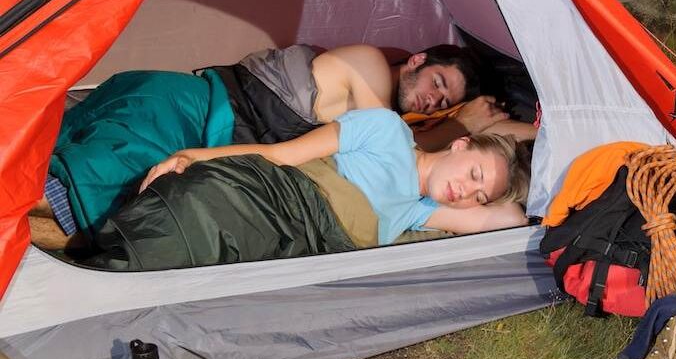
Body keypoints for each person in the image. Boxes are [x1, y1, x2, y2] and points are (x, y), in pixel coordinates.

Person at [29, 43, 527, 248]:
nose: (434, 95)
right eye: (438, 80)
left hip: (210, 136)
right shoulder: (372, 66)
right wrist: (459, 124)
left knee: (96, 192)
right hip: (192, 107)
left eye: (443, 99)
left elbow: (415, 159)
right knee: (93, 178)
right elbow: (390, 137)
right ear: (416, 60)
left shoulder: (403, 139)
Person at [82, 108, 532, 271]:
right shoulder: (386, 129)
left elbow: (509, 218)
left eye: (479, 195)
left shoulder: (421, 209)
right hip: (278, 194)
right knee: (198, 207)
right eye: (474, 174)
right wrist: (193, 156)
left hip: (312, 243)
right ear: (459, 144)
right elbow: (279, 155)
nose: (465, 193)